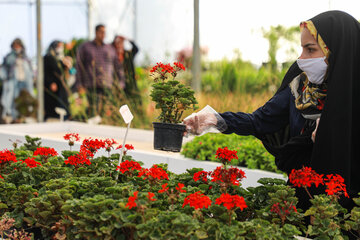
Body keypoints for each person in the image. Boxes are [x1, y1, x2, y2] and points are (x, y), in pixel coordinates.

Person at [184, 10, 360, 211]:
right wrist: (215, 119)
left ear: (336, 50)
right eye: (301, 49)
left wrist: (334, 129)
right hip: (301, 201)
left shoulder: (354, 95)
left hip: (349, 212)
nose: (301, 59)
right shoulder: (299, 88)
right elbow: (259, 121)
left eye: (310, 50)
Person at [74, 24, 125, 117]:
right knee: (92, 110)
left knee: (105, 112)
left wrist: (121, 82)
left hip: (107, 85)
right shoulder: (85, 47)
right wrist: (79, 84)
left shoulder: (110, 49)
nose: (103, 34)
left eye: (104, 32)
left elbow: (118, 67)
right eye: (101, 32)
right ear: (96, 32)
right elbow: (79, 66)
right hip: (91, 84)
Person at [1, 38, 34, 123]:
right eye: (15, 45)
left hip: (25, 82)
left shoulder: (26, 58)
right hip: (13, 82)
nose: (17, 47)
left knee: (25, 99)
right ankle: (12, 116)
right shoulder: (9, 57)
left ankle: (25, 116)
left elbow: (31, 70)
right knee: (12, 99)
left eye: (18, 45)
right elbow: (4, 69)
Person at [44, 40, 73, 121]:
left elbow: (71, 72)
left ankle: (66, 117)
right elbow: (46, 73)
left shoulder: (61, 60)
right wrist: (51, 82)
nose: (60, 49)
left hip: (61, 87)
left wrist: (68, 65)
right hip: (52, 87)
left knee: (63, 103)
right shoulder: (48, 58)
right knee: (54, 105)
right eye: (58, 46)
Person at [112, 35, 140, 99]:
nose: (119, 45)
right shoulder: (112, 56)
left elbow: (136, 49)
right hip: (118, 87)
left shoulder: (128, 54)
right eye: (117, 43)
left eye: (121, 42)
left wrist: (127, 39)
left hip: (131, 85)